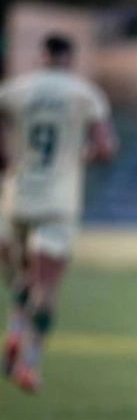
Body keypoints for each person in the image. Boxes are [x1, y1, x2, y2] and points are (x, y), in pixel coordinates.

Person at [0, 34, 118, 394]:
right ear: (70, 58)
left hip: (16, 197)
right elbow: (106, 148)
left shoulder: (13, 92)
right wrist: (79, 157)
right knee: (46, 287)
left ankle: (16, 326)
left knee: (21, 278)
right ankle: (30, 364)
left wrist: (10, 162)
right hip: (59, 201)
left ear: (41, 56)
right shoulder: (85, 94)